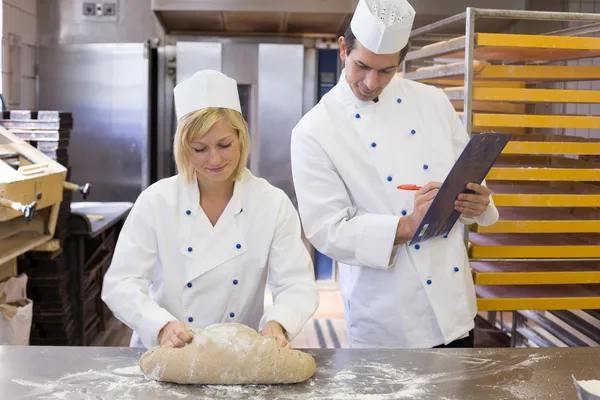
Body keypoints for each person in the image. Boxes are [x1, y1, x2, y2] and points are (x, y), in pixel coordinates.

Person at [290, 0, 499, 349]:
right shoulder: (314, 130)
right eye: (362, 66)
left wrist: (477, 200)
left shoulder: (433, 102)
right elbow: (327, 230)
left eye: (386, 71)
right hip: (389, 318)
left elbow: (469, 176)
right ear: (344, 49)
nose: (372, 82)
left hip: (454, 307)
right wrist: (406, 225)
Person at [102, 70, 319, 349]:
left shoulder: (272, 204)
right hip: (167, 352)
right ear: (184, 148)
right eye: (200, 148)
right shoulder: (156, 201)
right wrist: (160, 325)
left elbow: (296, 285)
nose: (214, 159)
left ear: (241, 138)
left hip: (237, 355)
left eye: (224, 144)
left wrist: (276, 324)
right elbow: (122, 283)